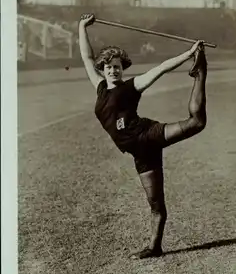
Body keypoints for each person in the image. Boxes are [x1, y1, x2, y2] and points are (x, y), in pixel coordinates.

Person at [79, 13, 208, 259]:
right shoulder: (100, 87)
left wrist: (189, 53)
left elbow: (160, 68)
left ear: (122, 68)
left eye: (117, 66)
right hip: (139, 153)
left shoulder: (132, 87)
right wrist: (81, 26)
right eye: (109, 66)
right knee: (156, 205)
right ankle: (155, 247)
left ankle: (200, 72)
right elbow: (86, 56)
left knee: (197, 123)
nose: (113, 70)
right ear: (103, 69)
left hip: (148, 135)